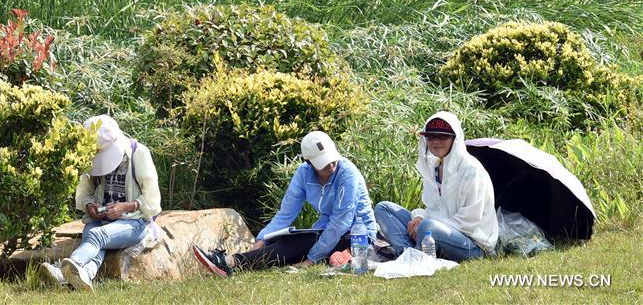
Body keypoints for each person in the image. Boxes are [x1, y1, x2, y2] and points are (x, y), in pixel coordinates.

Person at [192, 130, 376, 276]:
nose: (330, 165)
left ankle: (231, 262)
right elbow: (286, 214)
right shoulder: (303, 174)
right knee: (285, 239)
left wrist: (311, 259)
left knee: (299, 244)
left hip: (357, 235)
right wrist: (263, 239)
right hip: (326, 232)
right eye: (323, 162)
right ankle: (234, 263)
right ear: (309, 162)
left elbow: (340, 222)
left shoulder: (348, 174)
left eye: (331, 158)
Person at [41, 114, 161, 291]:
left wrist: (124, 207)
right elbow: (84, 192)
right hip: (101, 220)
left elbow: (153, 201)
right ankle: (84, 276)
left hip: (134, 222)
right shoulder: (89, 155)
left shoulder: (138, 153)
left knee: (96, 236)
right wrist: (90, 206)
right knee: (95, 242)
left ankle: (66, 268)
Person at [374, 111, 498, 262]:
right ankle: (407, 253)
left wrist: (425, 224)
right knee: (383, 208)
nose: (436, 142)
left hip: (472, 244)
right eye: (431, 137)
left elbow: (469, 221)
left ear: (455, 139)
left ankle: (416, 257)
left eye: (442, 136)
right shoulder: (435, 166)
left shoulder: (471, 170)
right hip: (435, 232)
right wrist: (420, 217)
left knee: (429, 227)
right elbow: (434, 209)